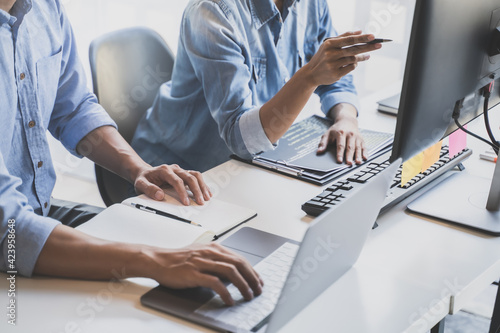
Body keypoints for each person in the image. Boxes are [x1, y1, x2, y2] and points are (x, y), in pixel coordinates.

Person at [0, 0, 262, 306]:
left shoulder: (45, 8)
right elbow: (10, 234)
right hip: (13, 232)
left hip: (38, 211)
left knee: (191, 245)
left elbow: (73, 108)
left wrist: (138, 169)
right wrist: (153, 261)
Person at [132, 0, 383, 173]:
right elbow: (241, 140)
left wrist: (346, 118)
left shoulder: (310, 3)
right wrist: (308, 77)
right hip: (178, 172)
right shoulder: (212, 12)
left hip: (251, 166)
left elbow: (334, 71)